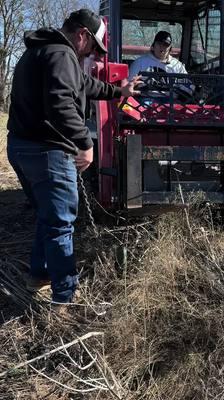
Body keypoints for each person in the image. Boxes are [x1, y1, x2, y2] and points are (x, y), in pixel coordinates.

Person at [6, 9, 140, 305]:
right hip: (46, 151)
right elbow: (61, 104)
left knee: (48, 215)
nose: (92, 53)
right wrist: (85, 143)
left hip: (21, 147)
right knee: (61, 223)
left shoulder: (42, 51)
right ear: (82, 35)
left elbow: (84, 85)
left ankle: (39, 274)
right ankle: (64, 296)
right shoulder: (61, 55)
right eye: (93, 47)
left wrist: (120, 92)